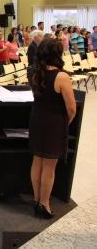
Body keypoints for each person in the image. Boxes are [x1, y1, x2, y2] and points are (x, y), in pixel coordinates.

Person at [29, 38, 76, 219]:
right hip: (54, 123)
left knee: (37, 161)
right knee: (49, 166)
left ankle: (36, 199)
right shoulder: (61, 76)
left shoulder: (35, 73)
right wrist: (66, 122)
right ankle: (44, 203)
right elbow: (71, 108)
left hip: (36, 120)